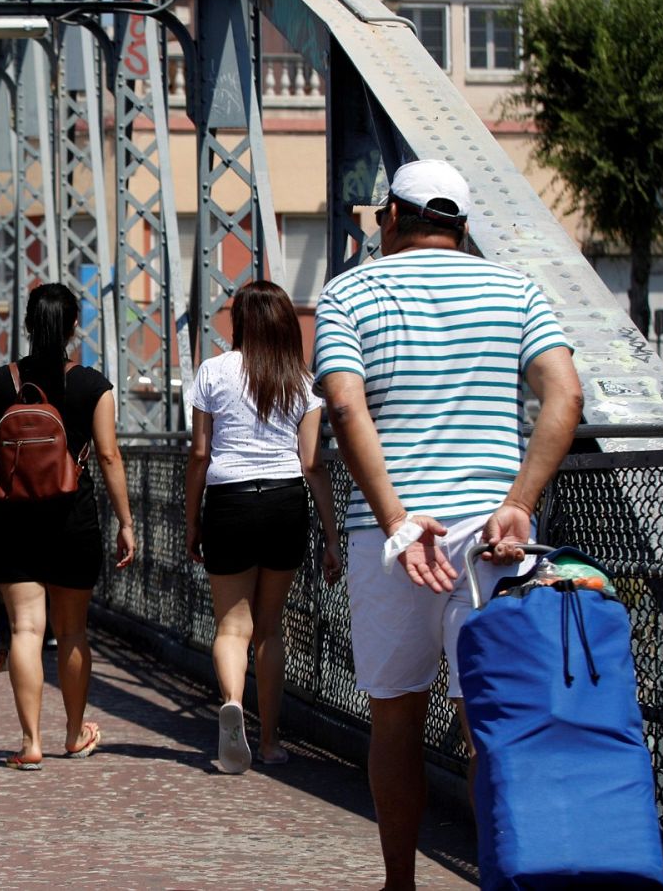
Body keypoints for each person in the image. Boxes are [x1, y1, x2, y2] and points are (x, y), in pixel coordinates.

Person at [313, 160, 583, 890]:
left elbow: (344, 409)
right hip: (493, 544)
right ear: (462, 228)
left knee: (395, 719)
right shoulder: (516, 290)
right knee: (489, 723)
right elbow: (565, 396)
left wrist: (397, 520)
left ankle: (400, 883)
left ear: (391, 219)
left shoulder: (349, 293)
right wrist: (520, 501)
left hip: (394, 541)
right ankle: (505, 875)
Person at [0, 283, 136, 770]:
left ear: (29, 326)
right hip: (72, 520)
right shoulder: (91, 384)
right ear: (75, 327)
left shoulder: (1, 382)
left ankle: (30, 741)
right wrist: (125, 521)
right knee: (73, 631)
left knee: (26, 630)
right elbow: (108, 454)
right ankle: (75, 733)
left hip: (12, 521)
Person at [184, 279, 343, 775]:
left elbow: (199, 454)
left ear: (240, 323)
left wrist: (192, 521)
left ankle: (233, 703)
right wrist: (333, 537)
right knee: (269, 630)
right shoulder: (302, 379)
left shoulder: (212, 370)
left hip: (229, 501)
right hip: (284, 501)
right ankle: (270, 739)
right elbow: (312, 463)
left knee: (232, 626)